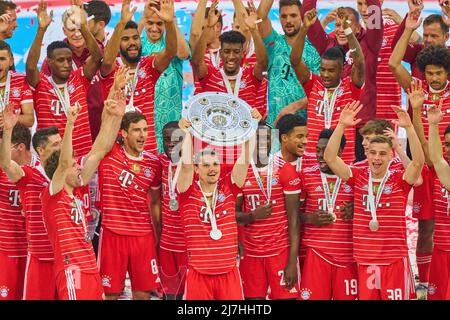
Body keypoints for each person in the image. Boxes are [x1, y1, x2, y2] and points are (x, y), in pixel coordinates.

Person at [324, 101, 424, 300]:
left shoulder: (399, 179)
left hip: (394, 260)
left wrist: (410, 128)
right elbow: (330, 158)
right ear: (367, 152)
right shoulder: (358, 175)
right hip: (365, 259)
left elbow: (418, 163)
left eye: (382, 154)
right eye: (373, 153)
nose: (377, 158)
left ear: (390, 155)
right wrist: (341, 126)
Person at [41, 76, 125, 300]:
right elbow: (64, 162)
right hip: (72, 269)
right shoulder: (53, 193)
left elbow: (100, 148)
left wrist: (115, 113)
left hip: (89, 266)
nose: (79, 166)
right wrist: (69, 124)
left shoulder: (78, 187)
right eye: (75, 165)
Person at [176, 109, 262, 300]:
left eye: (215, 164)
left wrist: (253, 126)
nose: (212, 169)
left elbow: (245, 158)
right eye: (206, 165)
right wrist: (188, 133)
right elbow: (186, 165)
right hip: (199, 275)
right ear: (197, 169)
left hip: (229, 274)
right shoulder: (187, 192)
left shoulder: (228, 189)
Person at [302, 0, 383, 162]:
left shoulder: (370, 42)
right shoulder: (327, 44)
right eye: (337, 25)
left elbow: (375, 13)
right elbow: (308, 16)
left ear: (358, 27)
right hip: (332, 126)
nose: (340, 30)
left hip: (361, 126)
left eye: (346, 24)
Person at [97, 110, 162, 300]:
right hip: (112, 234)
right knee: (109, 294)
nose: (142, 135)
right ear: (123, 133)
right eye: (136, 130)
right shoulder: (108, 153)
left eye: (145, 130)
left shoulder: (153, 163)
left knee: (143, 294)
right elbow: (104, 130)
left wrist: (157, 235)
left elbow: (156, 202)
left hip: (143, 237)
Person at [26, 0, 102, 158]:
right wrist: (41, 30)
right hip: (53, 156)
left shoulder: (79, 78)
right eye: (61, 60)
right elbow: (31, 67)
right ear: (49, 62)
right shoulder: (41, 85)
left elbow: (96, 58)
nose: (67, 64)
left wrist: (83, 27)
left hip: (82, 155)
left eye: (69, 60)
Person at [99, 0, 176, 154]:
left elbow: (170, 52)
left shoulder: (149, 65)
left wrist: (169, 23)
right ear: (118, 44)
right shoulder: (111, 69)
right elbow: (107, 59)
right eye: (125, 39)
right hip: (117, 153)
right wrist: (121, 23)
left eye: (135, 38)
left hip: (148, 151)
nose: (132, 43)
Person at [235, 120, 301, 300]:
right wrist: (251, 216)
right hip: (251, 254)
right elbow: (231, 215)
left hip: (280, 252)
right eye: (258, 138)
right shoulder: (240, 171)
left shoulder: (285, 170)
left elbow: (294, 219)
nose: (263, 143)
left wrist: (292, 261)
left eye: (267, 138)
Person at [290, 8, 365, 164]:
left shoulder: (350, 88)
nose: (325, 74)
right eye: (323, 70)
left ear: (342, 69)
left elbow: (359, 63)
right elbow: (295, 61)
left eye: (331, 70)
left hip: (343, 159)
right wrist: (304, 29)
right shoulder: (314, 84)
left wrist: (348, 30)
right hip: (313, 158)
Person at [299, 129, 356, 300]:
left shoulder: (354, 176)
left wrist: (357, 207)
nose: (320, 155)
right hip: (317, 254)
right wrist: (310, 217)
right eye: (317, 150)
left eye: (325, 150)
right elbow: (292, 214)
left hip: (347, 255)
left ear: (338, 151)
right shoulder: (306, 176)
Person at [191, 2, 267, 118]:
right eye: (226, 52)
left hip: (250, 131)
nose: (231, 56)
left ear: (243, 53)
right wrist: (208, 28)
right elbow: (196, 62)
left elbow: (263, 64)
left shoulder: (250, 76)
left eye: (236, 52)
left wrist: (254, 30)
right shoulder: (211, 75)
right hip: (215, 132)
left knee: (267, 134)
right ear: (221, 53)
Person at [411, 84, 450, 300]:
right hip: (442, 253)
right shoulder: (445, 175)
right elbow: (434, 156)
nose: (449, 149)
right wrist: (433, 125)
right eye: (447, 145)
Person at [256, 0, 320, 126]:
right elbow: (260, 16)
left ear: (301, 16)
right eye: (284, 16)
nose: (288, 21)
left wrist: (296, 106)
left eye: (293, 15)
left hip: (305, 128)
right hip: (275, 126)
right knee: (264, 145)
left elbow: (321, 90)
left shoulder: (314, 48)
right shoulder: (273, 43)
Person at [138, 1, 190, 154]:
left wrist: (170, 20)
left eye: (159, 23)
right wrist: (143, 18)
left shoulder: (172, 43)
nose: (154, 28)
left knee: (171, 171)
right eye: (150, 23)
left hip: (171, 122)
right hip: (144, 123)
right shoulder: (138, 44)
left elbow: (183, 54)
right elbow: (123, 49)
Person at [0, 122, 31, 300]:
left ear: (20, 147)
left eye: (6, 146)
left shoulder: (39, 168)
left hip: (32, 252)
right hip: (6, 250)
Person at [158, 121, 187, 300]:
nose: (170, 143)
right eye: (166, 139)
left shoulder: (194, 166)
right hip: (167, 245)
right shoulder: (160, 162)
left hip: (188, 245)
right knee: (171, 296)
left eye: (176, 140)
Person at [392, 0, 449, 81]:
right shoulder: (417, 52)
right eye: (425, 35)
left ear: (446, 36)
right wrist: (409, 25)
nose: (428, 40)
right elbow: (396, 49)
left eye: (434, 36)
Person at [0, 41, 34, 129]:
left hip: (14, 140)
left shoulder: (21, 80)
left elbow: (30, 120)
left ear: (11, 61)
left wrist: (9, 118)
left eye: (2, 59)